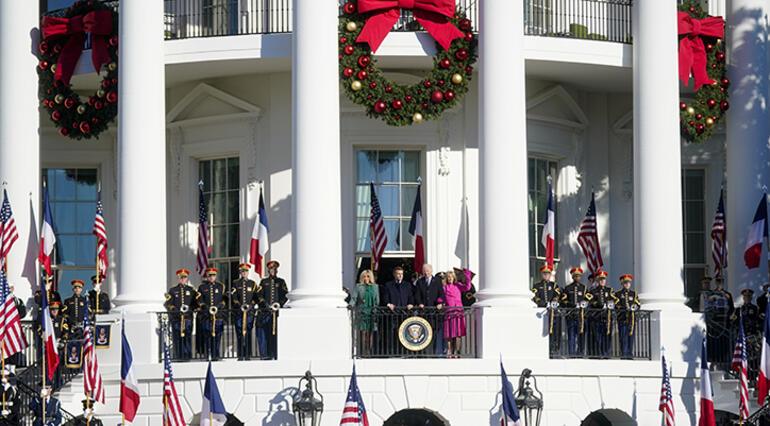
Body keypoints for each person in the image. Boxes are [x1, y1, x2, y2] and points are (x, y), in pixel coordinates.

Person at [164, 269, 198, 360]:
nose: (183, 279)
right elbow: (168, 303)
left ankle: (187, 356)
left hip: (187, 318)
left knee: (187, 337)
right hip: (176, 319)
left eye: (184, 277)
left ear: (187, 278)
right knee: (177, 337)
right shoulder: (173, 290)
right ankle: (178, 356)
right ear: (178, 278)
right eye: (181, 277)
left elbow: (195, 303)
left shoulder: (191, 290)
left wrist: (190, 309)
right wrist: (175, 309)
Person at [257, 260, 288, 360]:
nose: (272, 271)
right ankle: (266, 355)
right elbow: (259, 295)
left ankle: (275, 353)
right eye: (271, 269)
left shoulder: (281, 281)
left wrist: (279, 304)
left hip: (277, 313)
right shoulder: (264, 282)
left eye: (274, 269)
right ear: (268, 270)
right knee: (265, 334)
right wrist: (266, 304)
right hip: (266, 312)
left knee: (275, 335)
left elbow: (285, 295)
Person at [414, 264, 446, 355]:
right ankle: (424, 353)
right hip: (424, 311)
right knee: (424, 332)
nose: (426, 273)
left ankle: (434, 352)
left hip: (435, 312)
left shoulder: (438, 281)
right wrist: (420, 303)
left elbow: (441, 294)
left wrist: (440, 303)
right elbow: (417, 294)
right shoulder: (420, 281)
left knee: (434, 333)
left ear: (431, 271)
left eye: (427, 271)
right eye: (424, 271)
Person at [560, 267, 592, 357]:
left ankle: (580, 353)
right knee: (571, 335)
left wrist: (584, 303)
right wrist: (573, 305)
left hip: (582, 316)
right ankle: (572, 353)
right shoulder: (568, 288)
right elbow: (564, 301)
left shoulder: (584, 288)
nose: (577, 278)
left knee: (581, 335)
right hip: (571, 315)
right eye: (575, 276)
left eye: (578, 276)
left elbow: (589, 298)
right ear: (572, 277)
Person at [197, 267, 227, 361]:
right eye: (209, 275)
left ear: (216, 276)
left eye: (213, 275)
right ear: (207, 276)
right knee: (207, 337)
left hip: (218, 316)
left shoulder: (220, 286)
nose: (211, 277)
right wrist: (205, 307)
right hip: (206, 316)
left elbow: (224, 300)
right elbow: (199, 300)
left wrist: (218, 307)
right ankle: (208, 354)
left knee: (217, 337)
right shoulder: (202, 287)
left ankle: (216, 355)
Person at [231, 263, 259, 360]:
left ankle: (248, 354)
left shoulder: (253, 283)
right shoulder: (236, 283)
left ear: (248, 272)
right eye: (242, 271)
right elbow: (233, 296)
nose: (244, 273)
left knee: (248, 333)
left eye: (246, 271)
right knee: (239, 333)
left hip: (249, 313)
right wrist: (239, 305)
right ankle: (240, 354)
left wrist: (251, 305)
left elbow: (256, 297)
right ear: (240, 272)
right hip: (239, 312)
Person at [349, 270, 380, 356]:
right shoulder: (359, 286)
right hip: (362, 312)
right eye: (364, 276)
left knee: (370, 334)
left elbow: (377, 300)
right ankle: (362, 352)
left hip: (372, 313)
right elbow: (354, 298)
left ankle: (369, 352)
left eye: (368, 276)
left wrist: (376, 309)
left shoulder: (375, 287)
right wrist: (351, 305)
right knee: (363, 333)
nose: (366, 278)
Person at [443, 269, 472, 358]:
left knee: (458, 333)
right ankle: (449, 351)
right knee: (449, 333)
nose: (450, 278)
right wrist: (440, 302)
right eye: (448, 277)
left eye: (451, 277)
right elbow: (440, 297)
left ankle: (457, 351)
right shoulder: (444, 287)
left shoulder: (458, 286)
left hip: (458, 312)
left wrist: (467, 275)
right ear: (446, 278)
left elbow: (467, 287)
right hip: (449, 312)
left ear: (454, 278)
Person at [588, 270, 616, 358]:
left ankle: (607, 354)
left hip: (607, 317)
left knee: (607, 336)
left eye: (603, 279)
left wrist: (610, 304)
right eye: (600, 279)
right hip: (597, 317)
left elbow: (615, 299)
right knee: (598, 337)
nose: (602, 281)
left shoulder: (610, 290)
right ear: (597, 280)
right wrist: (599, 304)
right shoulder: (593, 291)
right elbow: (591, 301)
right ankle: (599, 353)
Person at [614, 274, 640, 359]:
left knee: (630, 337)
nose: (627, 284)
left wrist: (634, 307)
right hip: (622, 318)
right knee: (623, 337)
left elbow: (638, 304)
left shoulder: (634, 294)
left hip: (631, 319)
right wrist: (625, 308)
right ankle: (624, 354)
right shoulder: (618, 294)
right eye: (625, 283)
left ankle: (629, 353)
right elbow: (617, 305)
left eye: (628, 282)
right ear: (622, 283)